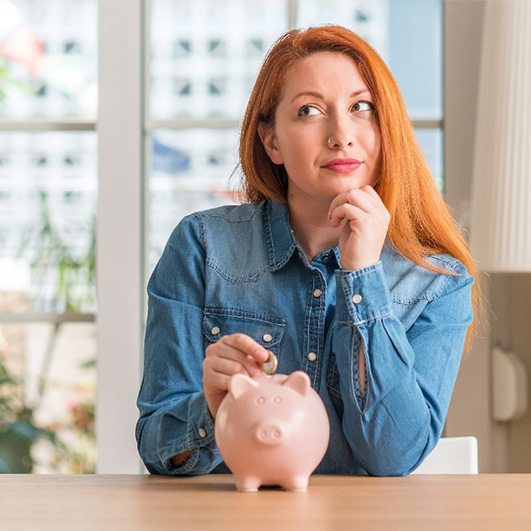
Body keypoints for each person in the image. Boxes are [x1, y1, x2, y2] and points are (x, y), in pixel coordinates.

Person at [136, 25, 479, 477]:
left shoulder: (437, 281)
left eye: (361, 107)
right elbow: (157, 445)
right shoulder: (202, 246)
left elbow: (393, 458)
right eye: (310, 111)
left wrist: (363, 278)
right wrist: (212, 411)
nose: (341, 135)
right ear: (271, 141)